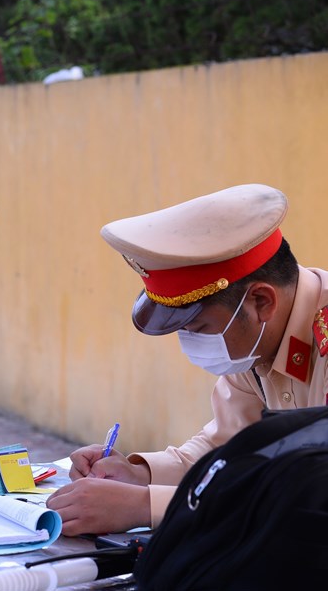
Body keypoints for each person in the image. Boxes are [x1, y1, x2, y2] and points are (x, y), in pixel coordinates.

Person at [47, 184, 328, 535]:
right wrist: (139, 475)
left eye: (197, 326)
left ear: (261, 302)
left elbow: (313, 496)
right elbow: (225, 449)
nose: (190, 341)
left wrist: (145, 505)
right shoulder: (260, 339)